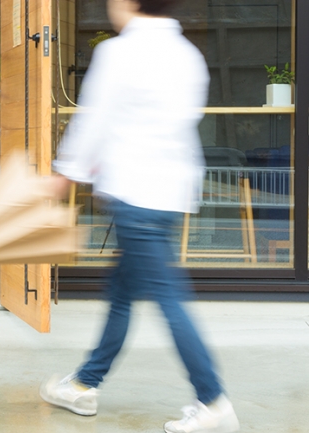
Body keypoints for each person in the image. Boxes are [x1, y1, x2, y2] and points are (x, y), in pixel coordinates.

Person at [41, 1, 240, 432]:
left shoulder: (121, 53)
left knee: (168, 299)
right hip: (169, 194)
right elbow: (177, 122)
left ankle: (213, 400)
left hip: (136, 195)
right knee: (122, 291)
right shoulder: (188, 55)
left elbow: (94, 122)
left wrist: (66, 174)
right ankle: (84, 384)